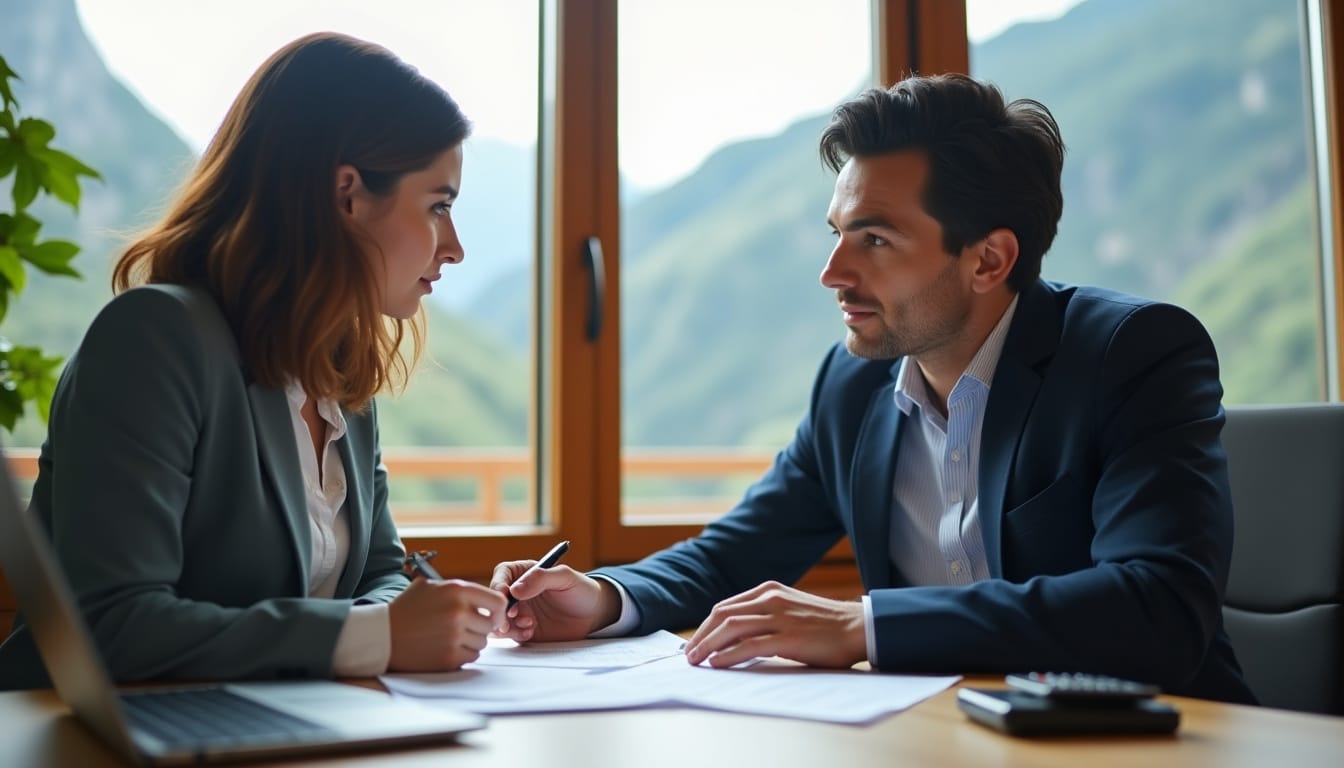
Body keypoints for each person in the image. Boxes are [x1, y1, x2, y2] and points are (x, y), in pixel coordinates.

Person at [492, 73, 1257, 704]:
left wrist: (866, 626)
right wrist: (600, 599)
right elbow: (732, 556)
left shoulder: (1132, 355)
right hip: (943, 738)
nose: (833, 274)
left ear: (989, 261)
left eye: (876, 240)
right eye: (837, 235)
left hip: (1155, 742)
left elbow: (1157, 607)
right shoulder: (853, 385)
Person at [0, 32, 506, 690]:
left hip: (281, 730)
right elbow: (110, 623)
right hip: (97, 740)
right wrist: (374, 635)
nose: (455, 246)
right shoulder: (153, 339)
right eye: (438, 206)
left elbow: (381, 570)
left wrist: (405, 622)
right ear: (347, 194)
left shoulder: (340, 371)